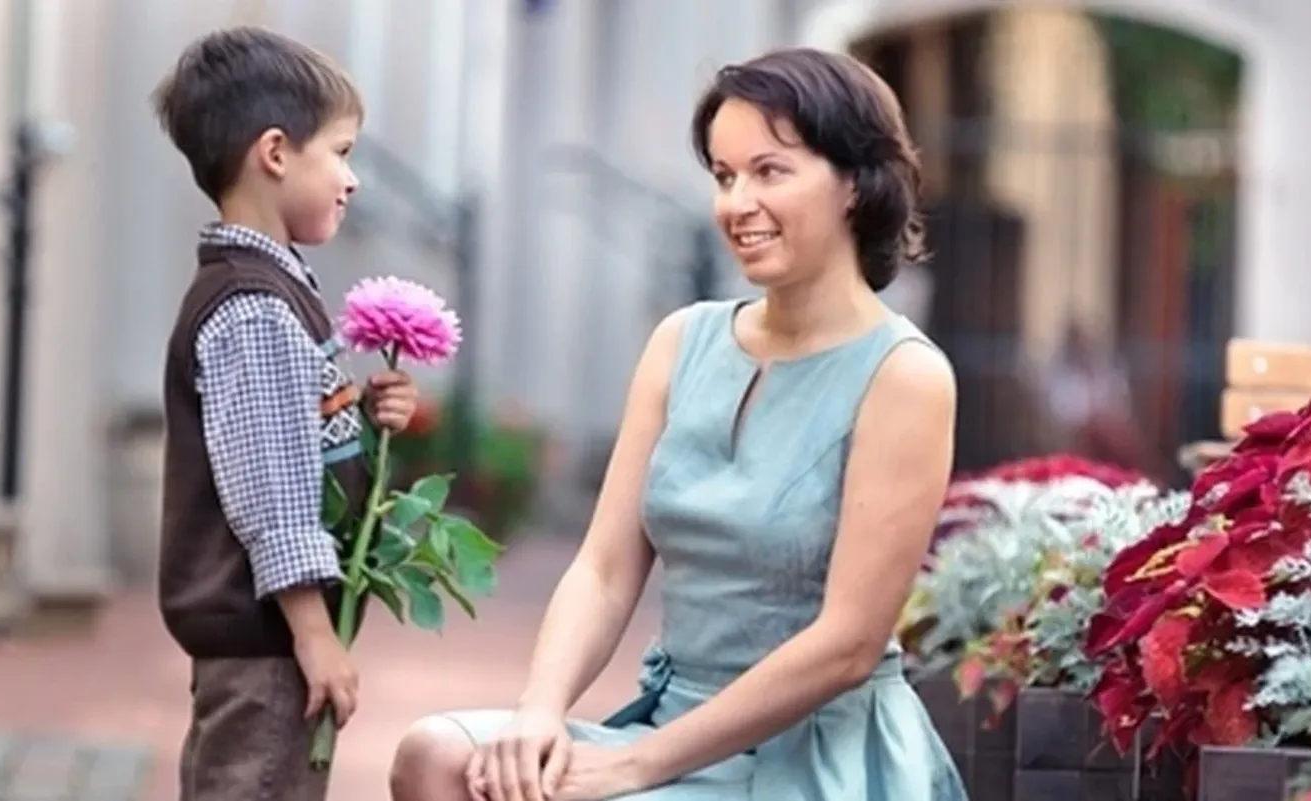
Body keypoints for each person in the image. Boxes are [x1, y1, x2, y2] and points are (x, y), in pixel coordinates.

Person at [389, 47, 966, 801]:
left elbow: (847, 645)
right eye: (725, 177)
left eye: (769, 171)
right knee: (434, 756)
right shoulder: (681, 341)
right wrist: (539, 711)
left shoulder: (905, 375)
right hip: (671, 721)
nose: (735, 203)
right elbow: (602, 568)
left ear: (856, 182)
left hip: (816, 754)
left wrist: (635, 765)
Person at [151, 26, 419, 800]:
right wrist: (312, 633)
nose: (353, 178)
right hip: (269, 644)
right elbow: (270, 490)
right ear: (275, 152)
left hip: (269, 643)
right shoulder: (255, 308)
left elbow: (291, 437)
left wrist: (365, 415)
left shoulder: (269, 291)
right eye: (340, 151)